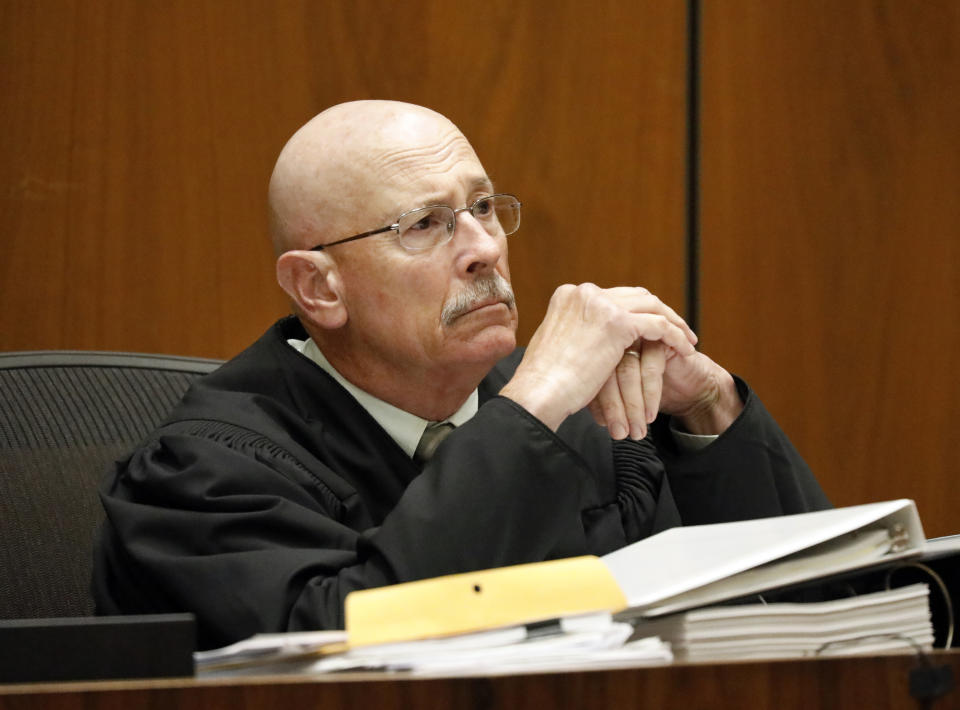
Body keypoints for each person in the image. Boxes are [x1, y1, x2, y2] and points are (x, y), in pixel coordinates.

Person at [93, 100, 829, 650]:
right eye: (424, 224)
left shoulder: (579, 423)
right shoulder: (201, 478)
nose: (484, 248)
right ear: (320, 288)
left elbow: (820, 610)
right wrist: (531, 405)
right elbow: (345, 649)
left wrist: (707, 405)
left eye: (482, 207)